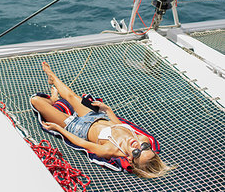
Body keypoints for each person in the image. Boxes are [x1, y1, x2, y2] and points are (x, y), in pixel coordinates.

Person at [31, 62, 172, 179]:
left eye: (136, 153)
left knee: (35, 101)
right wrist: (107, 110)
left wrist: (59, 129)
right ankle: (52, 77)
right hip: (96, 117)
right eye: (145, 148)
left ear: (130, 159)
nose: (138, 147)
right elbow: (119, 125)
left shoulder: (110, 149)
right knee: (71, 96)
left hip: (77, 127)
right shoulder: (141, 138)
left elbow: (81, 142)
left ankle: (52, 100)